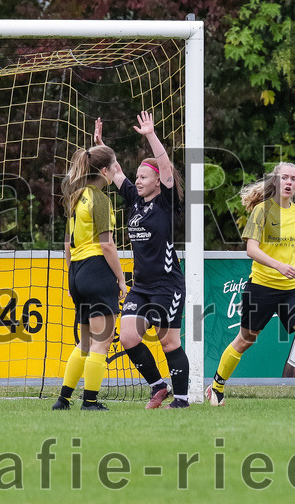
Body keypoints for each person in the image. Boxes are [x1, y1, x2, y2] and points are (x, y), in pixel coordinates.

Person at [207, 162, 295, 406]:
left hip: (290, 290)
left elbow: (294, 250)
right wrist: (279, 266)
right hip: (261, 287)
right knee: (245, 339)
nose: (288, 182)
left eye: (293, 179)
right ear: (275, 181)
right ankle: (216, 387)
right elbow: (251, 250)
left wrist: (291, 269)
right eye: (284, 177)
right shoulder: (262, 211)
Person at [94, 111, 190, 409]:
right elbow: (116, 170)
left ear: (159, 182)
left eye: (144, 177)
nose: (137, 181)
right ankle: (159, 386)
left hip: (167, 285)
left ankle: (183, 400)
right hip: (142, 286)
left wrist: (150, 134)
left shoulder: (166, 202)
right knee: (127, 338)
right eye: (137, 177)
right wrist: (99, 145)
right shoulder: (135, 199)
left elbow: (164, 166)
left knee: (168, 343)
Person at [51, 144, 126, 411]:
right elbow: (107, 245)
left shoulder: (76, 196)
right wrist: (121, 279)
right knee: (102, 342)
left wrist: (72, 278)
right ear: (104, 170)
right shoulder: (100, 199)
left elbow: (67, 244)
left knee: (84, 342)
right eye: (115, 165)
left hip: (78, 272)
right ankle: (90, 401)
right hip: (97, 270)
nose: (117, 170)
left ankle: (63, 399)